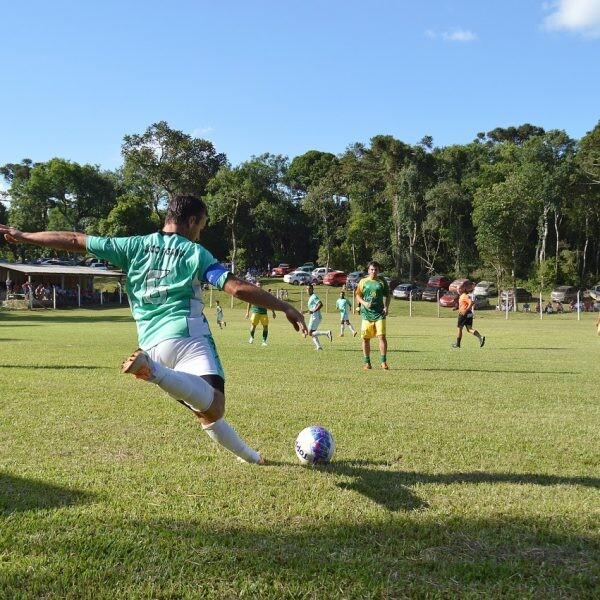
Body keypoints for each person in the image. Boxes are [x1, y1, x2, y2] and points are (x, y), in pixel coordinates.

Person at [0, 195, 307, 465]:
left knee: (206, 413)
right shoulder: (195, 253)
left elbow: (74, 241)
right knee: (214, 403)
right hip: (187, 337)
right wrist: (286, 307)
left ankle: (252, 458)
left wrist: (23, 235)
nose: (200, 232)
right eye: (201, 225)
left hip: (152, 343)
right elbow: (236, 288)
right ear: (190, 221)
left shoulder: (131, 245)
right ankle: (154, 373)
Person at [355, 261, 391, 370]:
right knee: (366, 339)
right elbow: (357, 295)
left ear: (378, 270)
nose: (373, 271)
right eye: (371, 269)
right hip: (366, 315)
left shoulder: (382, 281)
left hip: (380, 314)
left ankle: (383, 362)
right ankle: (367, 363)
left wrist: (386, 307)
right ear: (368, 270)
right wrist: (364, 303)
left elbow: (388, 295)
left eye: (375, 270)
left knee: (382, 337)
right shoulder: (363, 281)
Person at [452, 283, 485, 349]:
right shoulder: (462, 296)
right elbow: (465, 304)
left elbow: (471, 302)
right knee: (469, 329)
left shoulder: (464, 296)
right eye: (457, 289)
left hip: (464, 314)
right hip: (469, 313)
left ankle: (458, 344)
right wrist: (457, 308)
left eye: (458, 289)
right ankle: (480, 337)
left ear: (462, 289)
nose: (457, 290)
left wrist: (465, 310)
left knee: (459, 328)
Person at [245, 282, 276, 346]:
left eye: (260, 285)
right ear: (255, 286)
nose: (259, 286)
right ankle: (251, 337)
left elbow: (269, 304)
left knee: (265, 326)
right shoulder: (252, 294)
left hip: (264, 313)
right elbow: (249, 303)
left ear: (262, 286)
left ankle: (264, 341)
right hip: (255, 312)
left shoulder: (265, 294)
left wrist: (273, 312)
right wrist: (247, 313)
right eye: (258, 285)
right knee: (253, 325)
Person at [304, 284, 332, 350]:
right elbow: (312, 308)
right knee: (313, 332)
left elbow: (320, 304)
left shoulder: (314, 296)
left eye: (309, 288)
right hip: (314, 316)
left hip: (315, 316)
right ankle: (318, 346)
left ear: (312, 289)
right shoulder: (311, 297)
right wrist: (305, 312)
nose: (308, 290)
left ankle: (327, 333)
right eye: (307, 289)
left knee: (310, 333)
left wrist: (313, 311)